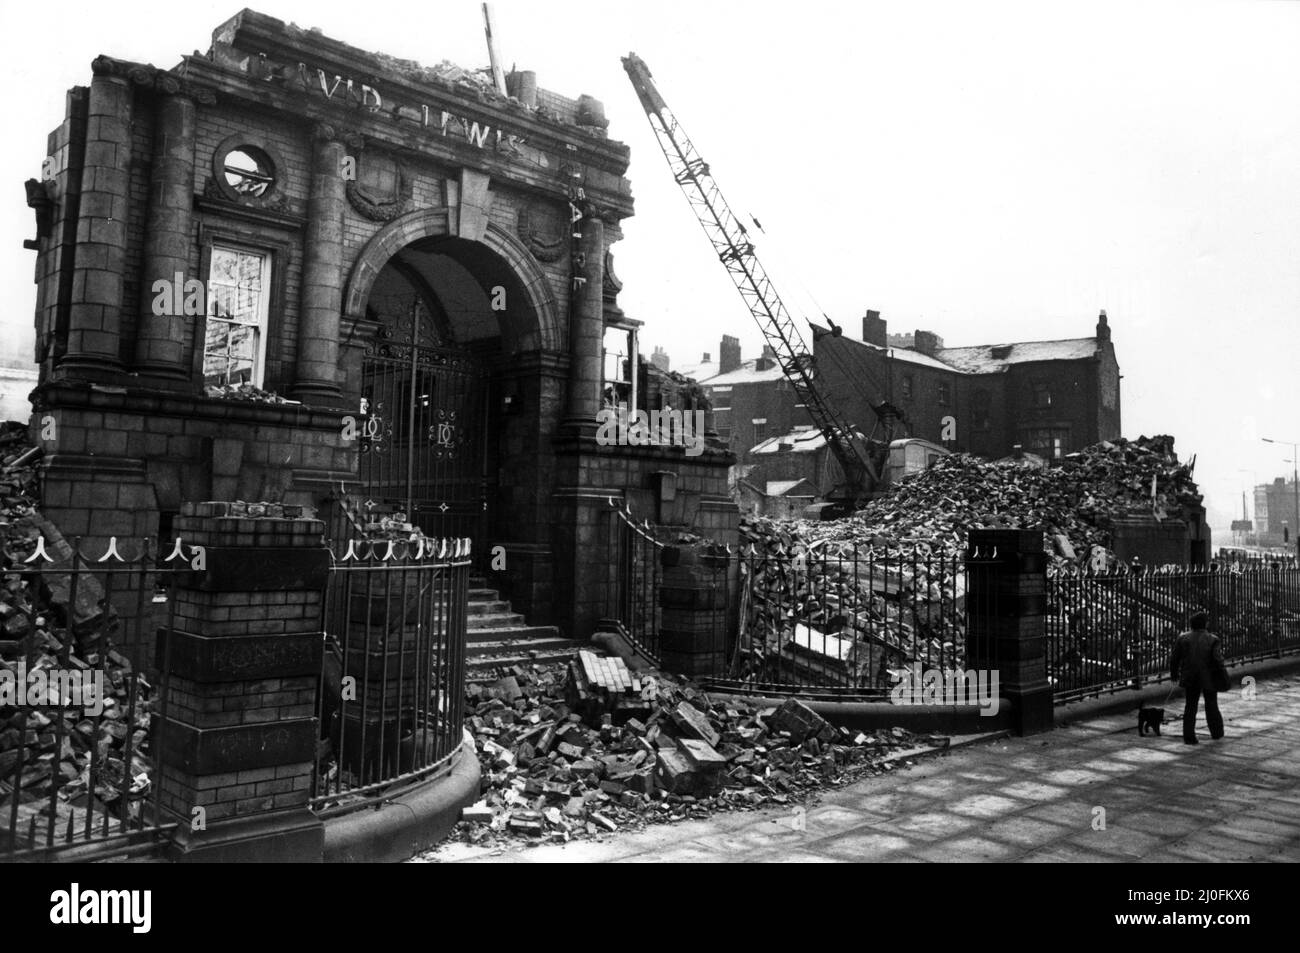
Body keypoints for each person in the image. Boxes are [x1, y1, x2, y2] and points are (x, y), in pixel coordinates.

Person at [1169, 610, 1227, 744]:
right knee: (1211, 704)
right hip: (1209, 676)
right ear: (1205, 624)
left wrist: (1174, 674)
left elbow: (1174, 658)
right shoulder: (1213, 639)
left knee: (1190, 706)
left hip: (1190, 676)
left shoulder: (1182, 638)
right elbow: (1218, 660)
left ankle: (1189, 736)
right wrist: (1223, 675)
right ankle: (1216, 732)